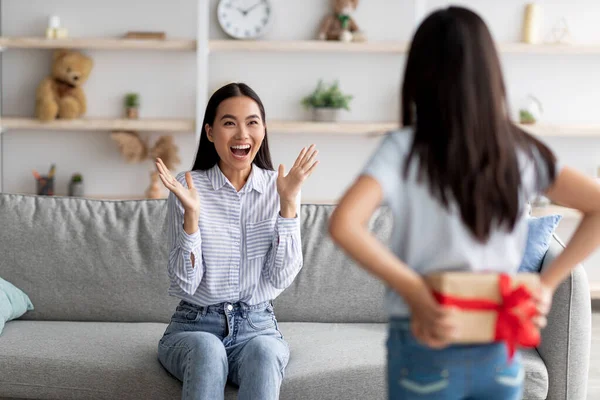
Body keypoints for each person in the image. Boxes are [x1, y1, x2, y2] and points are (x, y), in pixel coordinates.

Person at [329, 6, 600, 400]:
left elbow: (344, 224)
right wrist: (546, 284)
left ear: (420, 75)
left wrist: (417, 291)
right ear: (491, 73)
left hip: (425, 340)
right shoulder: (520, 152)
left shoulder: (404, 150)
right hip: (498, 345)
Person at [155, 82, 318, 400]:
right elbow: (186, 285)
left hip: (258, 325)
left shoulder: (280, 187)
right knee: (206, 347)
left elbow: (280, 278)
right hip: (194, 326)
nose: (242, 134)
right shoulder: (187, 187)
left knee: (265, 352)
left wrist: (288, 205)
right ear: (211, 132)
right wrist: (192, 216)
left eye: (252, 122)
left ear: (263, 130)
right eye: (229, 123)